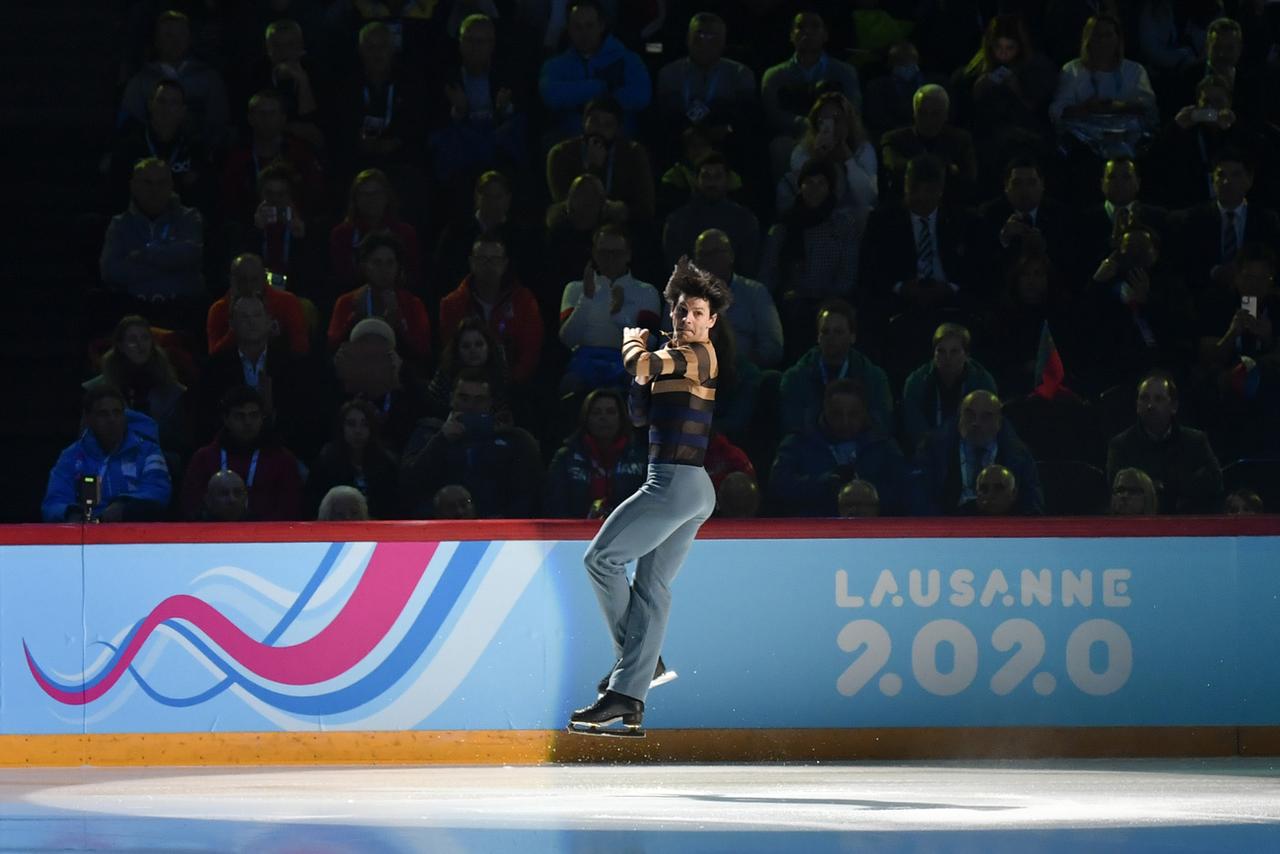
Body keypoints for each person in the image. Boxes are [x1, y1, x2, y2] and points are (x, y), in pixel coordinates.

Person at [568, 259, 731, 737]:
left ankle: (637, 667)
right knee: (653, 588)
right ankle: (630, 695)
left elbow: (638, 362)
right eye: (681, 311)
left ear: (711, 321)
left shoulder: (701, 354)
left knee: (599, 560)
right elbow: (640, 413)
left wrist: (632, 341)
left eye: (697, 312)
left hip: (674, 484)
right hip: (691, 488)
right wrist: (643, 377)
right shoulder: (676, 357)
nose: (687, 320)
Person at [398, 372, 543, 518]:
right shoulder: (429, 433)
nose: (470, 406)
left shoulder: (514, 440)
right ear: (451, 398)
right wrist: (440, 440)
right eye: (463, 398)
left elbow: (528, 495)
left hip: (497, 531)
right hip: (437, 529)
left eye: (479, 400)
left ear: (490, 403)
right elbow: (408, 484)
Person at [770, 379, 911, 517]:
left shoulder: (883, 445)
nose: (845, 422)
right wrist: (822, 484)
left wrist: (867, 493)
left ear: (864, 412)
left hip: (873, 531)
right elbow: (778, 485)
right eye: (837, 414)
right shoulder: (798, 442)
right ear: (825, 410)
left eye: (853, 414)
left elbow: (905, 488)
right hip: (815, 529)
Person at [99, 158, 205, 330]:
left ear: (171, 185)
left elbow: (190, 255)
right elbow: (111, 271)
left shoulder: (189, 218)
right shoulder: (119, 224)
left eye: (161, 183)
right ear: (133, 186)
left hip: (181, 312)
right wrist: (169, 262)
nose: (154, 190)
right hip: (133, 313)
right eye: (147, 183)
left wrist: (143, 255)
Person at [42, 385, 171, 523]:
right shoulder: (70, 457)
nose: (112, 419)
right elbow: (53, 503)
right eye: (103, 414)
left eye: (117, 412)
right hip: (85, 535)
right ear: (88, 418)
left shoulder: (148, 451)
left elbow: (158, 492)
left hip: (134, 532)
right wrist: (72, 515)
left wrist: (124, 507)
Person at [558, 225, 661, 394]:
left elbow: (649, 343)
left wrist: (619, 314)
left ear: (628, 255)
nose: (610, 259)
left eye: (617, 253)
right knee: (570, 386)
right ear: (594, 253)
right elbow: (568, 339)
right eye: (604, 253)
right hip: (584, 364)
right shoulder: (575, 289)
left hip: (626, 364)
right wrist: (587, 298)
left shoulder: (646, 291)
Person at [179, 385, 305, 521]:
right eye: (240, 416)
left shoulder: (282, 460)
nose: (248, 422)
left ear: (263, 418)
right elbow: (191, 507)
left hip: (266, 537)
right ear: (226, 419)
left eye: (254, 415)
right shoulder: (204, 458)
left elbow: (290, 511)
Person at [761, 11, 862, 179]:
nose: (807, 31)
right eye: (800, 27)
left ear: (825, 35)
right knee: (780, 148)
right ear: (791, 35)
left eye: (815, 26)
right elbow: (773, 113)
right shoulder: (774, 75)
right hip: (793, 137)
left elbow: (854, 108)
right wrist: (808, 125)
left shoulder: (845, 72)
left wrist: (831, 127)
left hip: (837, 136)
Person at [1105, 373, 1223, 513]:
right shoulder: (1121, 445)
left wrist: (1161, 486)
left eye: (1158, 399)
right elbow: (1118, 491)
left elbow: (1215, 482)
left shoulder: (1195, 441)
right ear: (1137, 405)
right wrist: (1181, 486)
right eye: (1144, 398)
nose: (1150, 405)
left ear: (1173, 406)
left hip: (1187, 521)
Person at [1049, 14, 1158, 162]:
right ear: (1088, 39)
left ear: (1117, 38)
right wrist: (1086, 108)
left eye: (1108, 35)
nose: (1103, 41)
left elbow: (1148, 108)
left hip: (1127, 141)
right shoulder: (1072, 70)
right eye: (1097, 36)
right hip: (1084, 146)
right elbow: (1057, 111)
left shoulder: (1134, 70)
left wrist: (1119, 107)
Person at [538, 0, 652, 141]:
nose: (584, 33)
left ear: (601, 26)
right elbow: (551, 95)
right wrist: (602, 86)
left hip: (620, 144)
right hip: (572, 143)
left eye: (589, 26)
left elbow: (641, 95)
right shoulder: (556, 65)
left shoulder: (627, 59)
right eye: (577, 27)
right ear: (568, 29)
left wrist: (579, 99)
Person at [917, 389, 1044, 515]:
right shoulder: (933, 449)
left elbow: (1032, 504)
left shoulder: (1019, 455)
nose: (976, 423)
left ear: (999, 422)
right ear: (959, 418)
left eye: (986, 416)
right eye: (969, 414)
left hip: (1001, 525)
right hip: (947, 526)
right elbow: (920, 498)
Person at [438, 234, 543, 383]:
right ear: (471, 262)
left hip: (513, 387)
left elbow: (530, 354)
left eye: (495, 259)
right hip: (463, 385)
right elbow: (451, 354)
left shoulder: (524, 301)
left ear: (505, 263)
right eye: (482, 259)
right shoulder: (452, 304)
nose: (489, 265)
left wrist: (508, 383)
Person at [779, 299, 893, 437]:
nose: (830, 338)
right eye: (825, 332)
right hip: (811, 451)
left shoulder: (873, 378)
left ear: (852, 337)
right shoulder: (795, 378)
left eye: (838, 332)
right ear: (818, 337)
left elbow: (882, 424)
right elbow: (791, 426)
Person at [82, 314, 189, 456]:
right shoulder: (97, 389)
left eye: (145, 338)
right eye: (132, 340)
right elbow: (86, 440)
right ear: (120, 345)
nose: (140, 345)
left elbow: (180, 442)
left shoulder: (172, 391)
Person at [118, 10, 229, 145]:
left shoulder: (209, 78)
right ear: (156, 40)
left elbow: (218, 123)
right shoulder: (140, 82)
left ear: (189, 38)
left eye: (181, 35)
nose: (175, 41)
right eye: (168, 35)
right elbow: (129, 123)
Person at [547, 96, 656, 224]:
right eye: (594, 121)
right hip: (575, 226)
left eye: (608, 125)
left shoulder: (633, 153)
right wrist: (593, 167)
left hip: (619, 228)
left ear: (617, 130)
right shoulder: (561, 153)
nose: (599, 129)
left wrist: (621, 210)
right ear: (584, 122)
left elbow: (646, 208)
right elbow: (573, 207)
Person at [777, 92, 879, 226]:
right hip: (814, 219)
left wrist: (849, 159)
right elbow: (807, 197)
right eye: (823, 120)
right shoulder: (802, 152)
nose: (830, 126)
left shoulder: (864, 149)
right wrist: (819, 160)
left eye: (836, 119)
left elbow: (867, 197)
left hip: (852, 218)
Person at [544, 387, 647, 518]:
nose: (603, 418)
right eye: (596, 413)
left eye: (610, 412)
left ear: (622, 417)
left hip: (627, 532)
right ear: (586, 418)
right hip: (573, 534)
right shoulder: (565, 457)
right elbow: (554, 505)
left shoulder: (641, 457)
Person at [328, 233, 432, 361]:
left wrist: (398, 324)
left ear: (398, 267)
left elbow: (423, 353)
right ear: (364, 266)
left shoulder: (413, 304)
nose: (384, 269)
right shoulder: (346, 302)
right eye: (377, 263)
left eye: (390, 263)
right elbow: (332, 349)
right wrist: (354, 319)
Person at [902, 322, 998, 452]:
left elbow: (989, 427)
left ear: (967, 354)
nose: (947, 358)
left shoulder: (982, 381)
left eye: (954, 352)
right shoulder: (916, 383)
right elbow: (916, 432)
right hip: (929, 453)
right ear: (933, 354)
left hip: (971, 450)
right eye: (941, 351)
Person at [693, 229, 783, 368]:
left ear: (731, 256)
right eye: (703, 254)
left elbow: (773, 347)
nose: (709, 260)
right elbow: (667, 343)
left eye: (716, 253)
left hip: (745, 376)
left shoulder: (755, 293)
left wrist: (740, 366)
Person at [662, 153, 760, 275]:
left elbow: (748, 266)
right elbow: (676, 268)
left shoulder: (744, 220)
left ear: (727, 179)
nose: (712, 183)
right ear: (696, 179)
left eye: (718, 176)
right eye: (706, 176)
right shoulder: (677, 221)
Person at [329, 169, 423, 295]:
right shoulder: (342, 234)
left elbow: (413, 275)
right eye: (364, 194)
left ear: (387, 197)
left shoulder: (405, 233)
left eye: (376, 193)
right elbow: (341, 277)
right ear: (355, 199)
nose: (371, 199)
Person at [880, 84, 978, 202]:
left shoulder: (961, 140)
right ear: (914, 113)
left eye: (935, 113)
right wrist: (947, 168)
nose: (928, 120)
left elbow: (969, 178)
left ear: (946, 115)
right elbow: (893, 165)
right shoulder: (893, 139)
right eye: (922, 112)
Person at [305, 398, 399, 519]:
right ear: (341, 427)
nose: (358, 431)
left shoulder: (386, 464)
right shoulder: (326, 463)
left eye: (364, 424)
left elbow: (392, 508)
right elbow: (313, 506)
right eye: (351, 424)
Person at [206, 253, 309, 356]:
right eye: (242, 280)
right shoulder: (218, 309)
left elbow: (301, 351)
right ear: (232, 280)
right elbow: (214, 359)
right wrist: (235, 330)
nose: (248, 286)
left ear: (264, 278)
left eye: (254, 280)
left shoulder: (287, 302)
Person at [426, 315, 509, 419]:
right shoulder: (446, 372)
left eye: (479, 344)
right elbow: (433, 407)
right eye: (466, 346)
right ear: (457, 350)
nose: (473, 350)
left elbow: (503, 411)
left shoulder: (499, 372)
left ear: (488, 347)